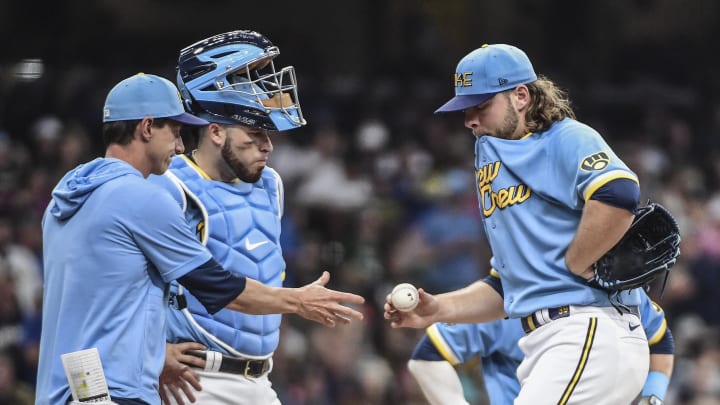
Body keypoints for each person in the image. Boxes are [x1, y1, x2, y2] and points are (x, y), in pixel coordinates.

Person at [36, 73, 365, 405]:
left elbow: (96, 296)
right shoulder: (139, 197)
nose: (180, 146)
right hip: (113, 389)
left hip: (68, 385)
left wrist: (152, 351)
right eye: (176, 132)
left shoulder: (67, 197)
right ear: (147, 127)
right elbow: (216, 285)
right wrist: (298, 301)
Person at [385, 43, 654, 404]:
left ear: (521, 96)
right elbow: (507, 286)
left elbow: (619, 194)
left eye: (481, 106)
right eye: (465, 110)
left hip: (588, 330)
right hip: (549, 343)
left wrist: (576, 260)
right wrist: (439, 309)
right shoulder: (492, 156)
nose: (470, 120)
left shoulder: (565, 138)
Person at [148, 30, 338, 405]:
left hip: (260, 379)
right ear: (215, 132)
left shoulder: (271, 185)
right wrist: (149, 352)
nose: (268, 145)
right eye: (254, 134)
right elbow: (133, 284)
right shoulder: (171, 187)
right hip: (193, 380)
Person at [408, 288, 675, 404]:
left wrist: (652, 397)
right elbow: (426, 356)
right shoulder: (503, 305)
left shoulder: (617, 290)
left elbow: (661, 339)